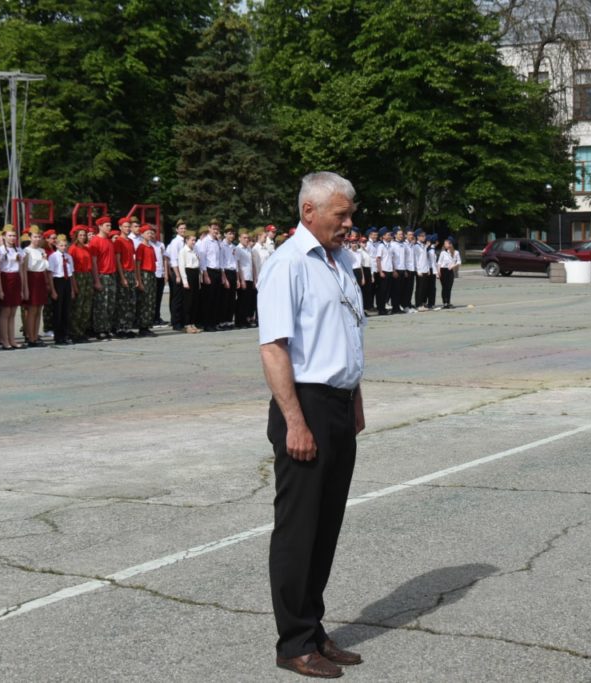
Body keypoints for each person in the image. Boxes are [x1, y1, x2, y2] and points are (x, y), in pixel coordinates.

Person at [258, 171, 366, 679]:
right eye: (341, 214)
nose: (350, 222)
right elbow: (275, 348)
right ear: (309, 212)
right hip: (305, 405)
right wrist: (294, 421)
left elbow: (346, 334)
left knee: (326, 526)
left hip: (339, 403)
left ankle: (314, 628)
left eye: (350, 213)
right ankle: (293, 641)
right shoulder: (287, 265)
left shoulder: (341, 261)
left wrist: (356, 399)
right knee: (299, 529)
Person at [0, 225, 24, 350]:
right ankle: (4, 340)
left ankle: (12, 339)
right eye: (9, 235)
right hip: (5, 279)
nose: (12, 238)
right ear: (4, 236)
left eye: (14, 235)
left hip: (15, 279)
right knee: (5, 311)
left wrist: (22, 288)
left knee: (12, 312)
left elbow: (21, 270)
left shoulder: (19, 251)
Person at [89, 216, 117, 341]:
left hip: (111, 275)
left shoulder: (110, 241)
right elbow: (93, 262)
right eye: (107, 225)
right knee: (101, 304)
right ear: (100, 226)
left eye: (110, 225)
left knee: (110, 304)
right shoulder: (95, 241)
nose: (109, 227)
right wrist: (96, 280)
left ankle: (107, 328)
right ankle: (99, 330)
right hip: (102, 275)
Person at [20, 227, 50, 347]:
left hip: (40, 279)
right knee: (31, 310)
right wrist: (25, 287)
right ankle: (30, 336)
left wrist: (46, 282)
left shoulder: (42, 250)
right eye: (35, 237)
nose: (37, 239)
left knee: (38, 310)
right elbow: (25, 269)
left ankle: (35, 335)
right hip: (31, 278)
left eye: (39, 237)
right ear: (30, 237)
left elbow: (44, 268)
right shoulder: (26, 251)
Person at [47, 234, 76, 345]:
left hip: (67, 281)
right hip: (58, 281)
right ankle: (58, 336)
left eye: (65, 245)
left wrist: (72, 289)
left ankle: (65, 334)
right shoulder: (53, 256)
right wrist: (53, 290)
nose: (64, 247)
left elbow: (71, 273)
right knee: (58, 311)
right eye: (61, 245)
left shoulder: (68, 257)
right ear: (57, 246)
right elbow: (50, 274)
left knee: (66, 310)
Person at [68, 225, 94, 343]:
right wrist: (74, 285)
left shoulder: (87, 248)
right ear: (76, 236)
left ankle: (82, 331)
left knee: (86, 306)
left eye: (84, 235)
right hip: (78, 276)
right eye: (80, 235)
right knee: (78, 306)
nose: (83, 237)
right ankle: (75, 332)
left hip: (87, 276)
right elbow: (71, 269)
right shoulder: (73, 249)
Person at [134, 224, 159, 338]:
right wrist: (139, 280)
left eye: (151, 233)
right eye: (148, 233)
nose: (150, 235)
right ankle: (142, 327)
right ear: (142, 234)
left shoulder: (151, 247)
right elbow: (137, 265)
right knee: (144, 301)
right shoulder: (141, 247)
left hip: (152, 274)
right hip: (144, 274)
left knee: (151, 301)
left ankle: (148, 325)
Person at [178, 234, 202, 334]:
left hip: (195, 274)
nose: (194, 242)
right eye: (192, 240)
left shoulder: (194, 251)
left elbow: (198, 265)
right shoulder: (183, 251)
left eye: (195, 240)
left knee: (195, 301)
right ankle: (187, 324)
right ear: (187, 240)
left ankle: (193, 323)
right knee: (188, 301)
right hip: (188, 274)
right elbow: (181, 267)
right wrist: (185, 281)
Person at [166, 220, 187, 330]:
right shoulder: (175, 242)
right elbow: (173, 259)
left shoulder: (185, 241)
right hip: (177, 272)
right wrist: (178, 275)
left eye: (184, 228)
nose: (183, 230)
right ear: (177, 230)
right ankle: (176, 322)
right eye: (181, 228)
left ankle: (183, 321)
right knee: (177, 298)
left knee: (184, 298)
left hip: (184, 272)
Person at [437, 236, 461, 309]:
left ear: (450, 244)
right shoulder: (443, 253)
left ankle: (448, 302)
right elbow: (439, 263)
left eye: (446, 243)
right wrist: (438, 272)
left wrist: (453, 266)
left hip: (450, 271)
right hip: (443, 270)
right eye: (444, 244)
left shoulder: (456, 252)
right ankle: (445, 303)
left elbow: (459, 261)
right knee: (444, 287)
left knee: (449, 287)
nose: (445, 245)